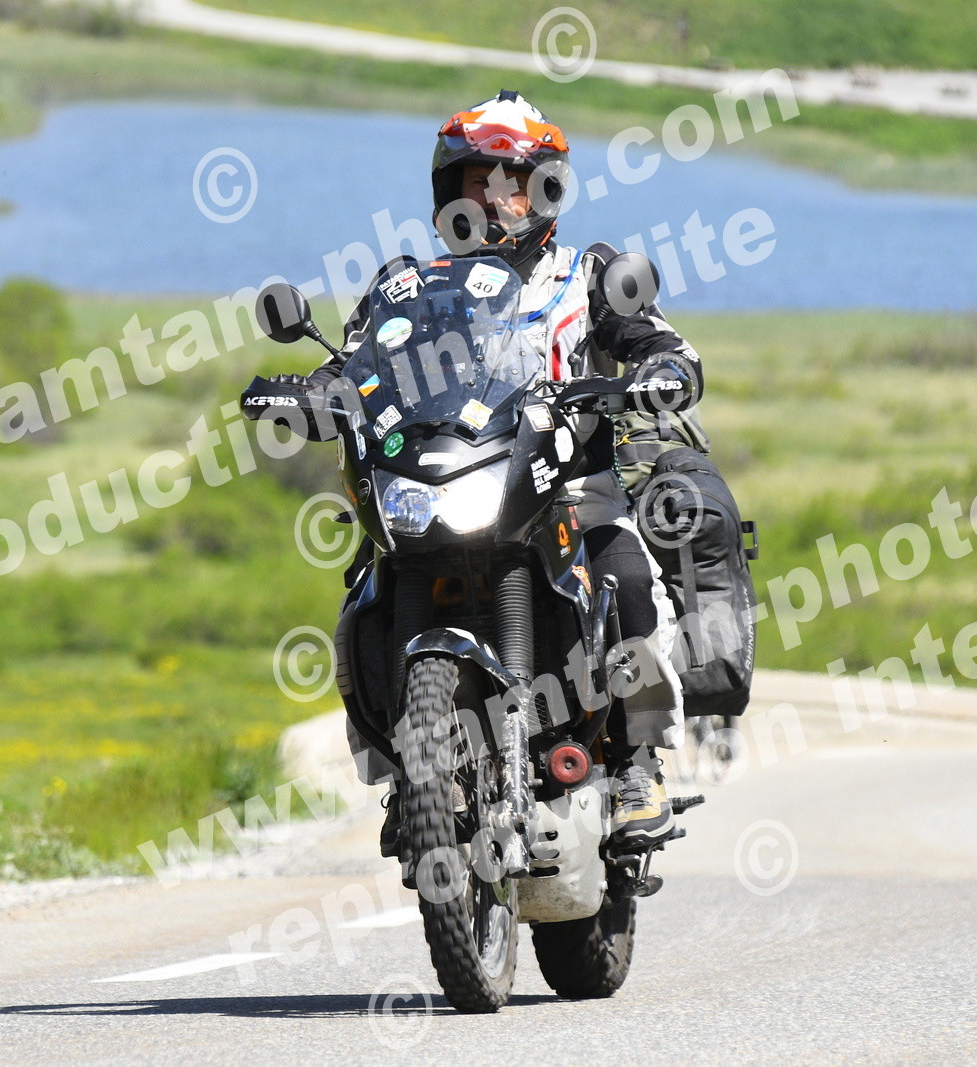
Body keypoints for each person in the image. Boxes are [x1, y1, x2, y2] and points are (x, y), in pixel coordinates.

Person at [244, 90, 706, 851]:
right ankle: (407, 776)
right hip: (447, 479)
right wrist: (310, 393)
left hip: (569, 489)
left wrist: (661, 371)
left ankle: (637, 764)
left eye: (510, 181)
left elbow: (663, 345)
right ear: (447, 192)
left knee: (624, 572)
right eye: (474, 180)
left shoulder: (588, 275)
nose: (491, 198)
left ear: (545, 191)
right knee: (367, 586)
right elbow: (354, 366)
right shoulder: (406, 288)